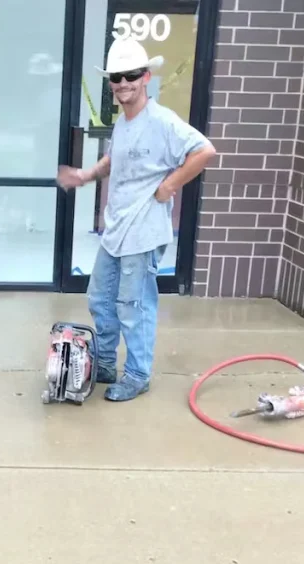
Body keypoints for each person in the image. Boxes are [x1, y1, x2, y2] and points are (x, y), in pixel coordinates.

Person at [57, 37, 216, 402]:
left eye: (131, 75)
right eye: (117, 77)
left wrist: (170, 185)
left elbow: (204, 151)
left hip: (143, 232)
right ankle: (108, 362)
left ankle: (138, 374)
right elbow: (114, 160)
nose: (123, 83)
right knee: (100, 297)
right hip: (116, 229)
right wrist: (85, 175)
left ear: (146, 76)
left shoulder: (161, 121)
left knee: (134, 305)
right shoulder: (124, 122)